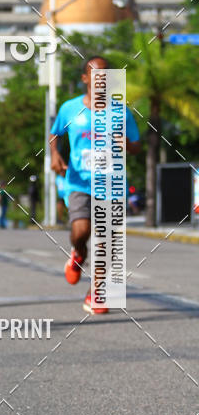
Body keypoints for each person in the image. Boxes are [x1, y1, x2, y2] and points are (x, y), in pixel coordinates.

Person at [49, 56, 141, 314]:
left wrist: (127, 143)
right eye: (96, 74)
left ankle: (96, 292)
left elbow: (136, 146)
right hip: (79, 181)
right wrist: (55, 155)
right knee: (81, 231)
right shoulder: (70, 108)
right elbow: (55, 133)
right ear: (85, 78)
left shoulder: (121, 111)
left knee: (107, 240)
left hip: (112, 183)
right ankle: (78, 253)